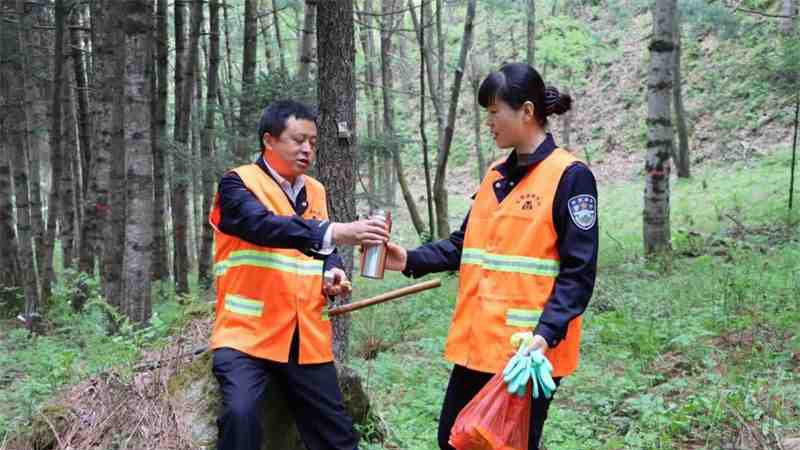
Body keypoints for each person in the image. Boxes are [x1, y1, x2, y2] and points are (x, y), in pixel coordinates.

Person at [384, 62, 599, 450]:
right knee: (454, 439)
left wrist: (545, 335)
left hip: (526, 352)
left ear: (527, 112)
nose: (489, 122)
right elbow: (462, 244)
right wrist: (409, 259)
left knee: (508, 444)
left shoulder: (569, 176)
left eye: (494, 112)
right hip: (477, 343)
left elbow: (578, 272)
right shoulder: (495, 175)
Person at [208, 99, 389, 450]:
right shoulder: (237, 184)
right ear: (269, 141)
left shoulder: (316, 190)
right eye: (298, 139)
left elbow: (319, 247)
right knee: (240, 416)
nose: (307, 149)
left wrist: (332, 269)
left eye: (313, 142)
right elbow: (264, 227)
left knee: (338, 435)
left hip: (304, 338)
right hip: (246, 337)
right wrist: (335, 232)